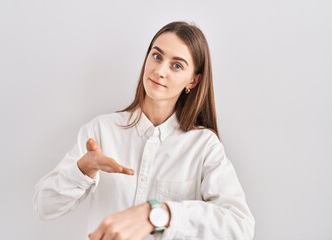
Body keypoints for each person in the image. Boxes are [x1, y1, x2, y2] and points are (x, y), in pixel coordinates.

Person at [33, 21, 255, 240]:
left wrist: (160, 214)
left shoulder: (204, 146)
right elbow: (44, 207)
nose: (159, 71)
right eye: (157, 56)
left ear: (193, 82)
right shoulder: (101, 130)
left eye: (176, 65)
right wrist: (83, 168)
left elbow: (240, 227)